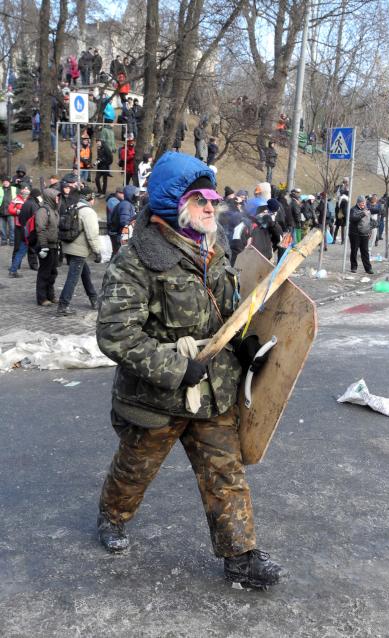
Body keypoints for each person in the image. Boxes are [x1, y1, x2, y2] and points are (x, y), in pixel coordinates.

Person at [95, 151, 282, 589]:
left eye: (212, 200)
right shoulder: (137, 259)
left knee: (225, 471)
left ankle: (241, 557)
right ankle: (111, 517)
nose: (210, 208)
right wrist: (176, 368)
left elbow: (228, 310)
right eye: (200, 200)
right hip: (156, 396)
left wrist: (243, 340)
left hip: (213, 390)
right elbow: (116, 334)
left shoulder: (212, 249)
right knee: (134, 470)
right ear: (173, 202)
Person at [57, 187, 101, 316]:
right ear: (89, 198)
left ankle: (94, 299)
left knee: (85, 273)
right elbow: (92, 235)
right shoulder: (88, 212)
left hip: (69, 247)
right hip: (79, 250)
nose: (94, 201)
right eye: (93, 198)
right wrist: (97, 251)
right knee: (73, 278)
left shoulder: (73, 206)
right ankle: (63, 306)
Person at [35, 188, 60, 306]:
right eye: (56, 196)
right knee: (44, 272)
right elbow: (41, 229)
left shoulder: (54, 210)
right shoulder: (43, 211)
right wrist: (44, 246)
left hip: (54, 246)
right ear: (50, 197)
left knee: (53, 272)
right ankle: (42, 298)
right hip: (45, 246)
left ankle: (51, 295)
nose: (58, 198)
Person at [8, 185, 32, 277]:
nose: (25, 190)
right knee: (17, 246)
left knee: (30, 247)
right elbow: (10, 209)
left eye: (27, 189)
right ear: (21, 190)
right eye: (24, 189)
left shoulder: (31, 199)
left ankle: (33, 265)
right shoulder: (16, 199)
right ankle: (15, 266)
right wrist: (17, 211)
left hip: (29, 225)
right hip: (19, 225)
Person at [349, 195, 373, 274]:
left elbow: (369, 221)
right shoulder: (353, 209)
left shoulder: (366, 209)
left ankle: (368, 268)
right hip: (355, 234)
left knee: (365, 252)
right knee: (354, 251)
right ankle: (354, 267)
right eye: (362, 203)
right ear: (358, 203)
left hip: (365, 234)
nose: (363, 205)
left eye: (364, 203)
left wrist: (370, 231)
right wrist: (362, 214)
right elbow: (353, 219)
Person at [106, 186, 125, 255]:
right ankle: (112, 265)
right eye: (121, 193)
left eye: (124, 193)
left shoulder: (120, 201)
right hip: (113, 230)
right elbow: (118, 211)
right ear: (117, 193)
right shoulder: (112, 200)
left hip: (116, 230)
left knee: (117, 252)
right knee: (116, 252)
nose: (123, 195)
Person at [0, 175, 17, 245]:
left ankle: (12, 240)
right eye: (4, 181)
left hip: (11, 212)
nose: (5, 183)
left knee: (12, 227)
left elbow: (18, 199)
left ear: (9, 182)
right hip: (1, 212)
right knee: (2, 228)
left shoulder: (14, 189)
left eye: (6, 181)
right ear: (2, 182)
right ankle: (4, 240)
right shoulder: (0, 189)